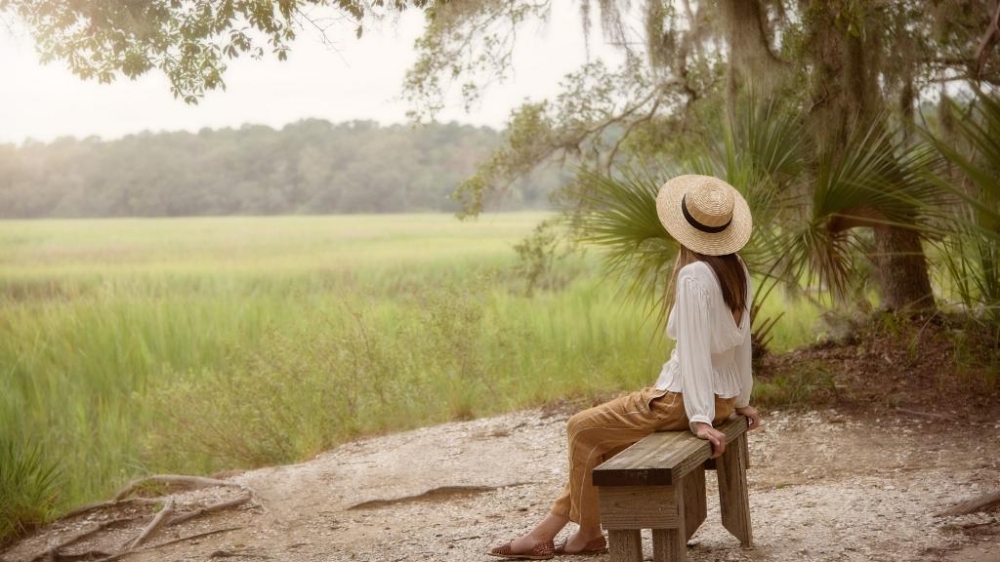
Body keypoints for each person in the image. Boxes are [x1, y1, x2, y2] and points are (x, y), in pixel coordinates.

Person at [487, 175, 762, 560]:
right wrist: (741, 400)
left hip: (682, 400)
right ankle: (552, 532)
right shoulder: (737, 270)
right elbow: (741, 344)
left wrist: (700, 418)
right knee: (597, 441)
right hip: (719, 399)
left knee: (580, 427)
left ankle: (584, 535)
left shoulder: (693, 276)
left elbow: (697, 354)